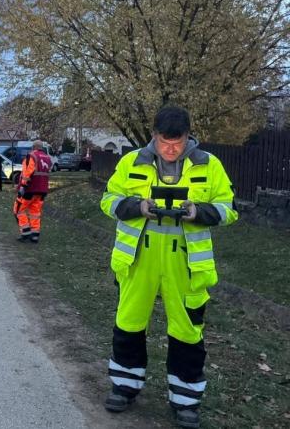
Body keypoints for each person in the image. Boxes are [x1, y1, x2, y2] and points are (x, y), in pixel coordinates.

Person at [99, 105, 238, 428]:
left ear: (189, 137)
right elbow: (108, 200)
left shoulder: (209, 165)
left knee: (187, 331)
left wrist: (198, 213)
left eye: (178, 143)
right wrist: (137, 206)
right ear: (154, 136)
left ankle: (186, 402)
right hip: (138, 261)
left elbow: (228, 207)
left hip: (186, 265)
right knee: (129, 322)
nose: (171, 149)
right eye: (165, 143)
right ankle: (124, 387)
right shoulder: (131, 162)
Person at [13, 140, 52, 243]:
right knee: (35, 212)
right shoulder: (47, 158)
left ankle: (25, 233)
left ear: (33, 147)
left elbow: (27, 173)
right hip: (42, 190)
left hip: (30, 189)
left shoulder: (31, 156)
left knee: (18, 210)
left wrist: (22, 187)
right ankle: (35, 236)